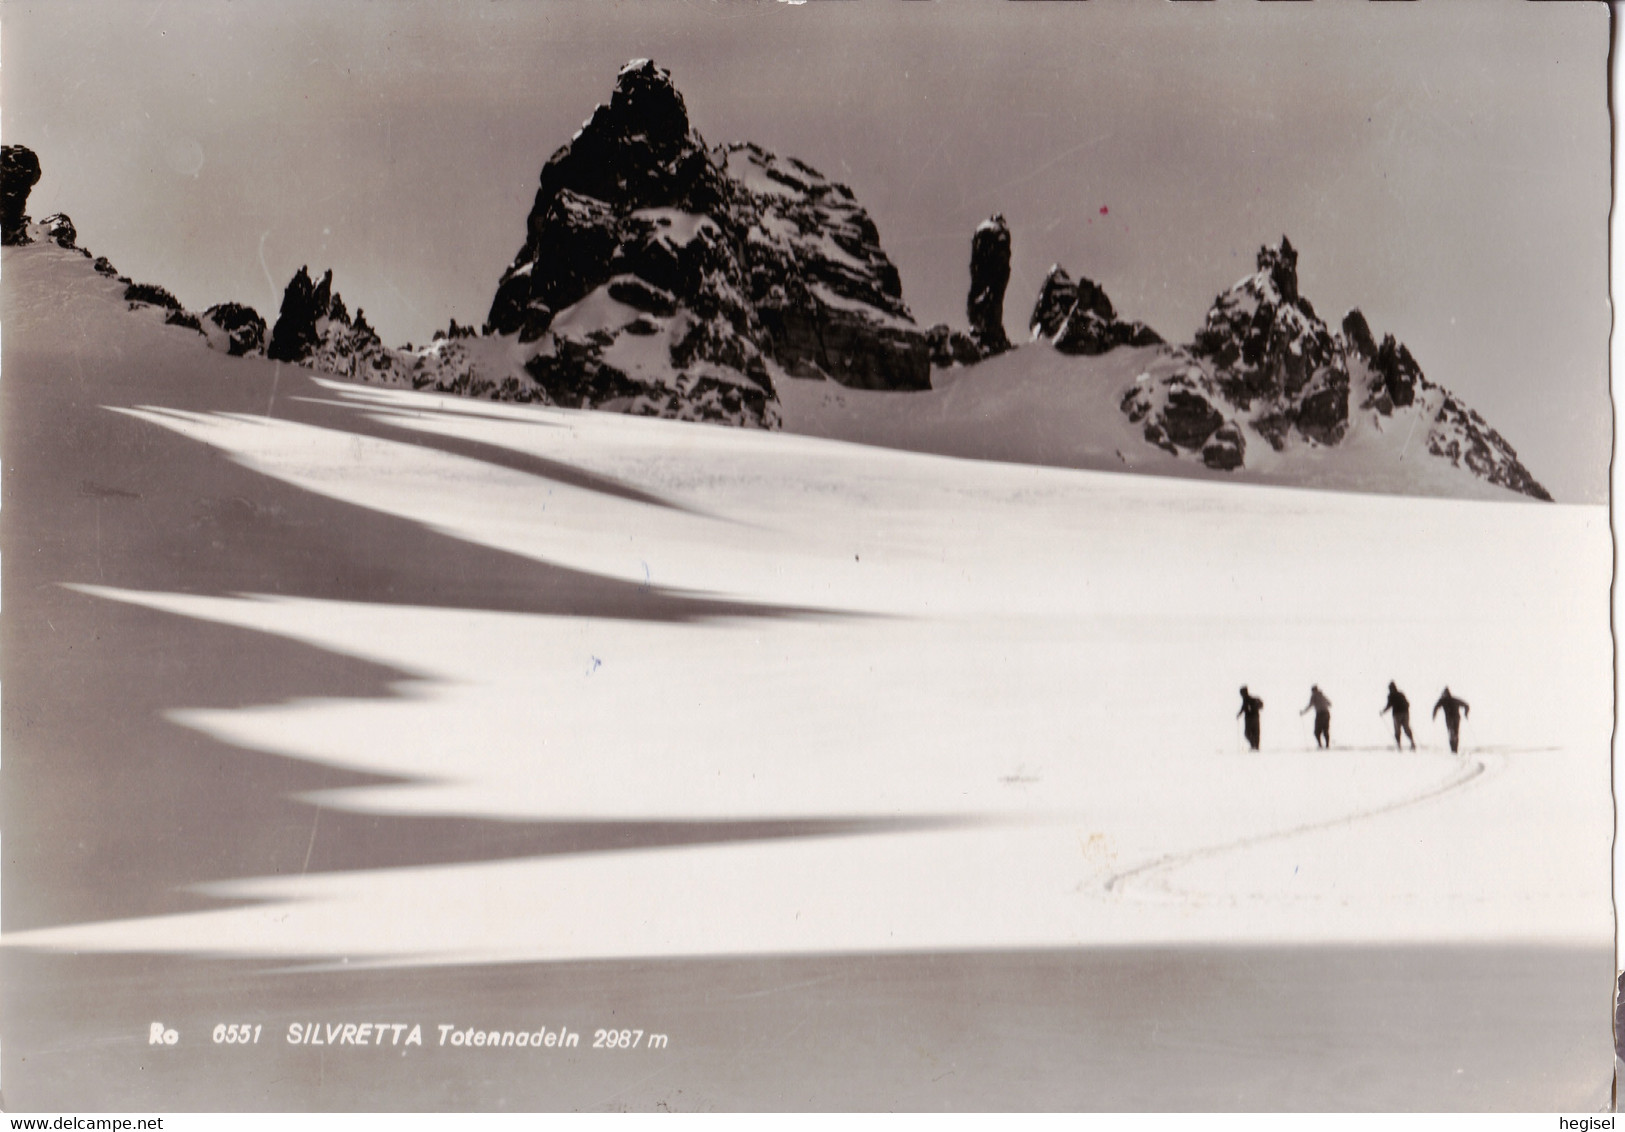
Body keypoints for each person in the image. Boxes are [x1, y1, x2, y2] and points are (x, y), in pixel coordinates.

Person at [1432, 687, 1471, 754]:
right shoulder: (1454, 699)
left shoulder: (1442, 700)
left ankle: (1453, 750)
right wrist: (1466, 714)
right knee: (1455, 733)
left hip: (1450, 719)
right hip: (1456, 718)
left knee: (1452, 733)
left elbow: (1435, 708)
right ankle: (1454, 750)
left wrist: (1434, 716)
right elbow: (1466, 705)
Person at [1379, 681, 1415, 751]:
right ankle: (1412, 743)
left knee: (1397, 730)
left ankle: (1399, 746)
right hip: (1405, 713)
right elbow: (1408, 703)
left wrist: (1383, 712)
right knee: (1407, 728)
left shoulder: (1390, 696)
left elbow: (1389, 705)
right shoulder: (1401, 694)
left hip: (1396, 714)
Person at [1237, 686, 1264, 751]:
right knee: (1255, 733)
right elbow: (1243, 708)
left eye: (1241, 693)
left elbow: (1243, 708)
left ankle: (1254, 745)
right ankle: (1255, 746)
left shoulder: (1247, 700)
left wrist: (1239, 714)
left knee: (1248, 733)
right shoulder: (1249, 699)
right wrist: (1239, 714)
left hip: (1249, 719)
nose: (1241, 695)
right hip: (1255, 718)